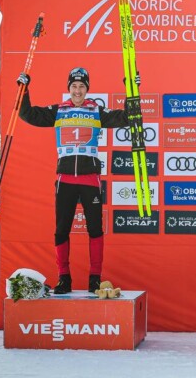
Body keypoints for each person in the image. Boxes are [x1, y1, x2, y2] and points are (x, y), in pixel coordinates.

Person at [17, 67, 133, 294]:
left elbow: (127, 117)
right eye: (74, 86)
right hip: (65, 179)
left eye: (81, 86)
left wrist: (131, 89)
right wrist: (24, 89)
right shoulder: (58, 111)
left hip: (90, 179)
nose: (77, 90)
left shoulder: (96, 110)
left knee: (95, 230)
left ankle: (95, 279)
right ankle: (64, 278)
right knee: (61, 230)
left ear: (87, 89)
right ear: (68, 88)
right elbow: (28, 114)